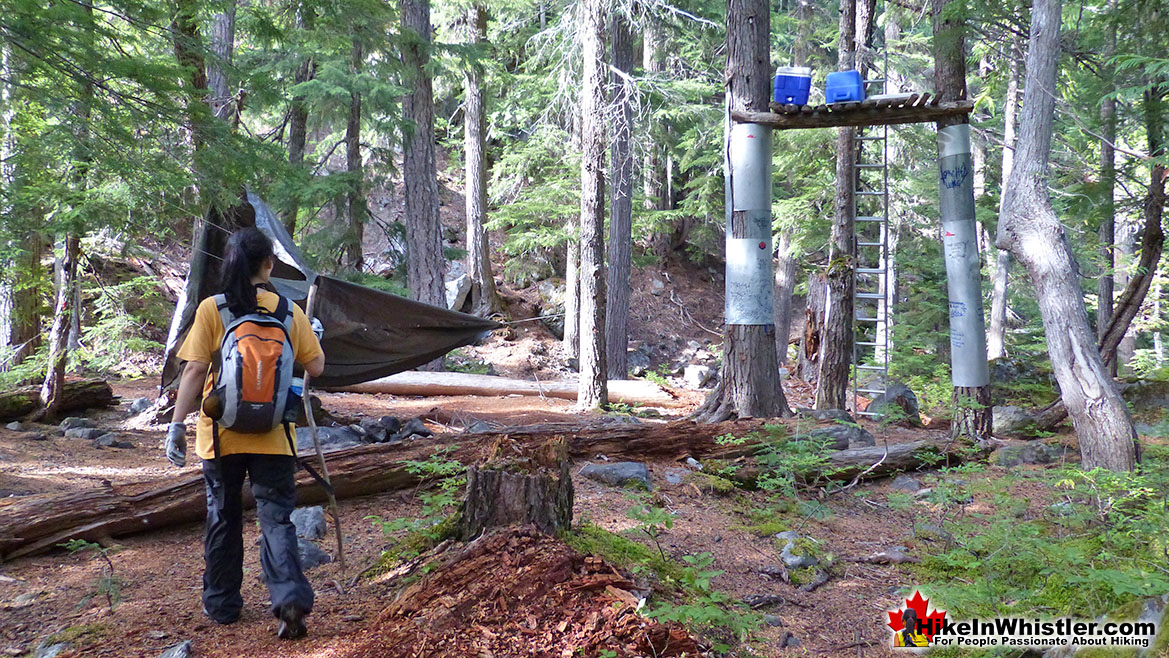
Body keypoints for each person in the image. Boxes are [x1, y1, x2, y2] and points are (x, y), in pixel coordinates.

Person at [165, 227, 325, 640]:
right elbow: (317, 367)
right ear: (268, 265)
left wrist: (176, 424)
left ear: (230, 263)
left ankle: (222, 605)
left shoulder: (212, 309)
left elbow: (195, 370)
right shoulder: (288, 311)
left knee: (223, 516)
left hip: (220, 436)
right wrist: (314, 336)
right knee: (276, 518)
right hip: (275, 435)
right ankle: (289, 599)